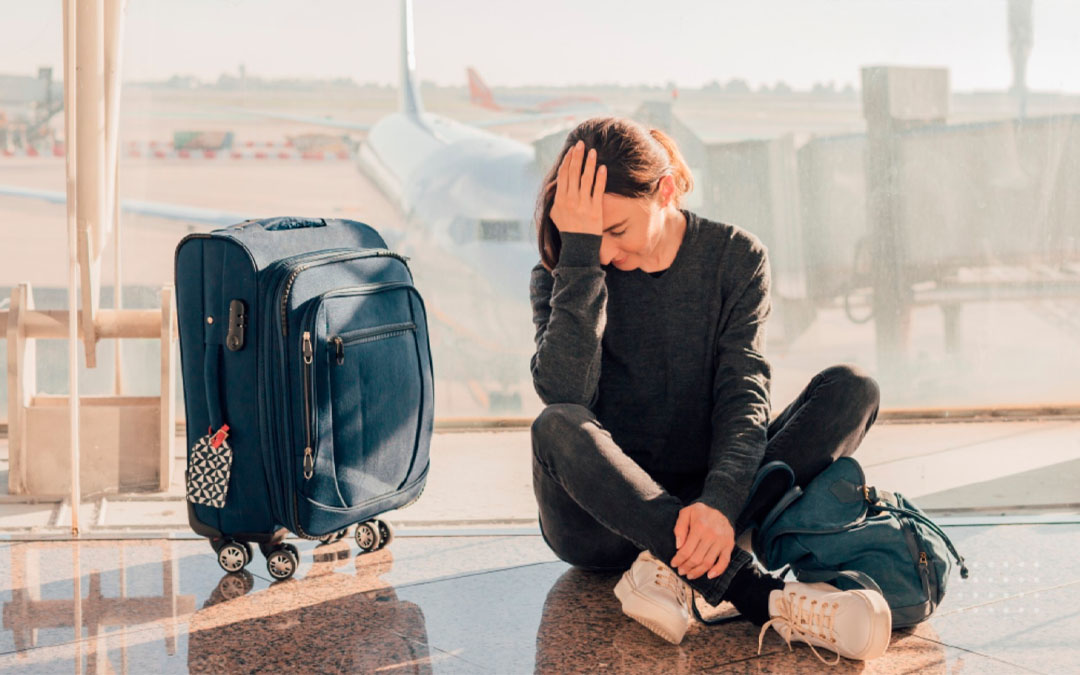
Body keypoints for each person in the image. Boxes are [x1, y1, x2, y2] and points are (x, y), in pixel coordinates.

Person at [528, 117, 892, 663]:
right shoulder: (569, 270)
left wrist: (719, 504)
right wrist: (577, 259)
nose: (602, 251)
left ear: (665, 191)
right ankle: (756, 594)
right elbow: (565, 392)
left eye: (615, 229)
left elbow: (743, 395)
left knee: (852, 389)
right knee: (555, 424)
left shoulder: (735, 257)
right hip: (602, 521)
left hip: (712, 510)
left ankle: (671, 562)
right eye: (589, 233)